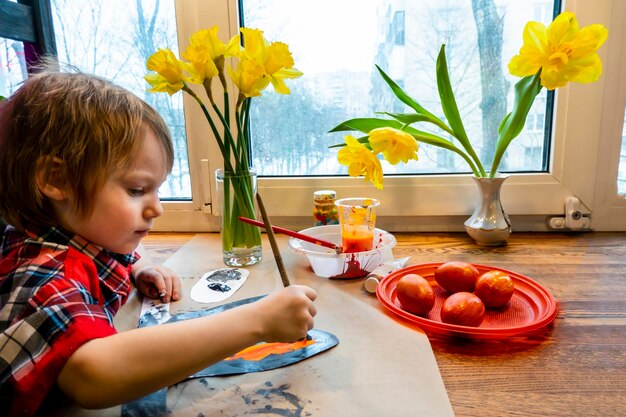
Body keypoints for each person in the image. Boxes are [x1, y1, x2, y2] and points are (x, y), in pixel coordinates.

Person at [0, 70, 317, 416]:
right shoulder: (43, 274)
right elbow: (93, 374)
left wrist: (137, 267)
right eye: (136, 190)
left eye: (158, 189)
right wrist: (257, 320)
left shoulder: (71, 237)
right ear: (55, 179)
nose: (157, 208)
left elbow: (104, 258)